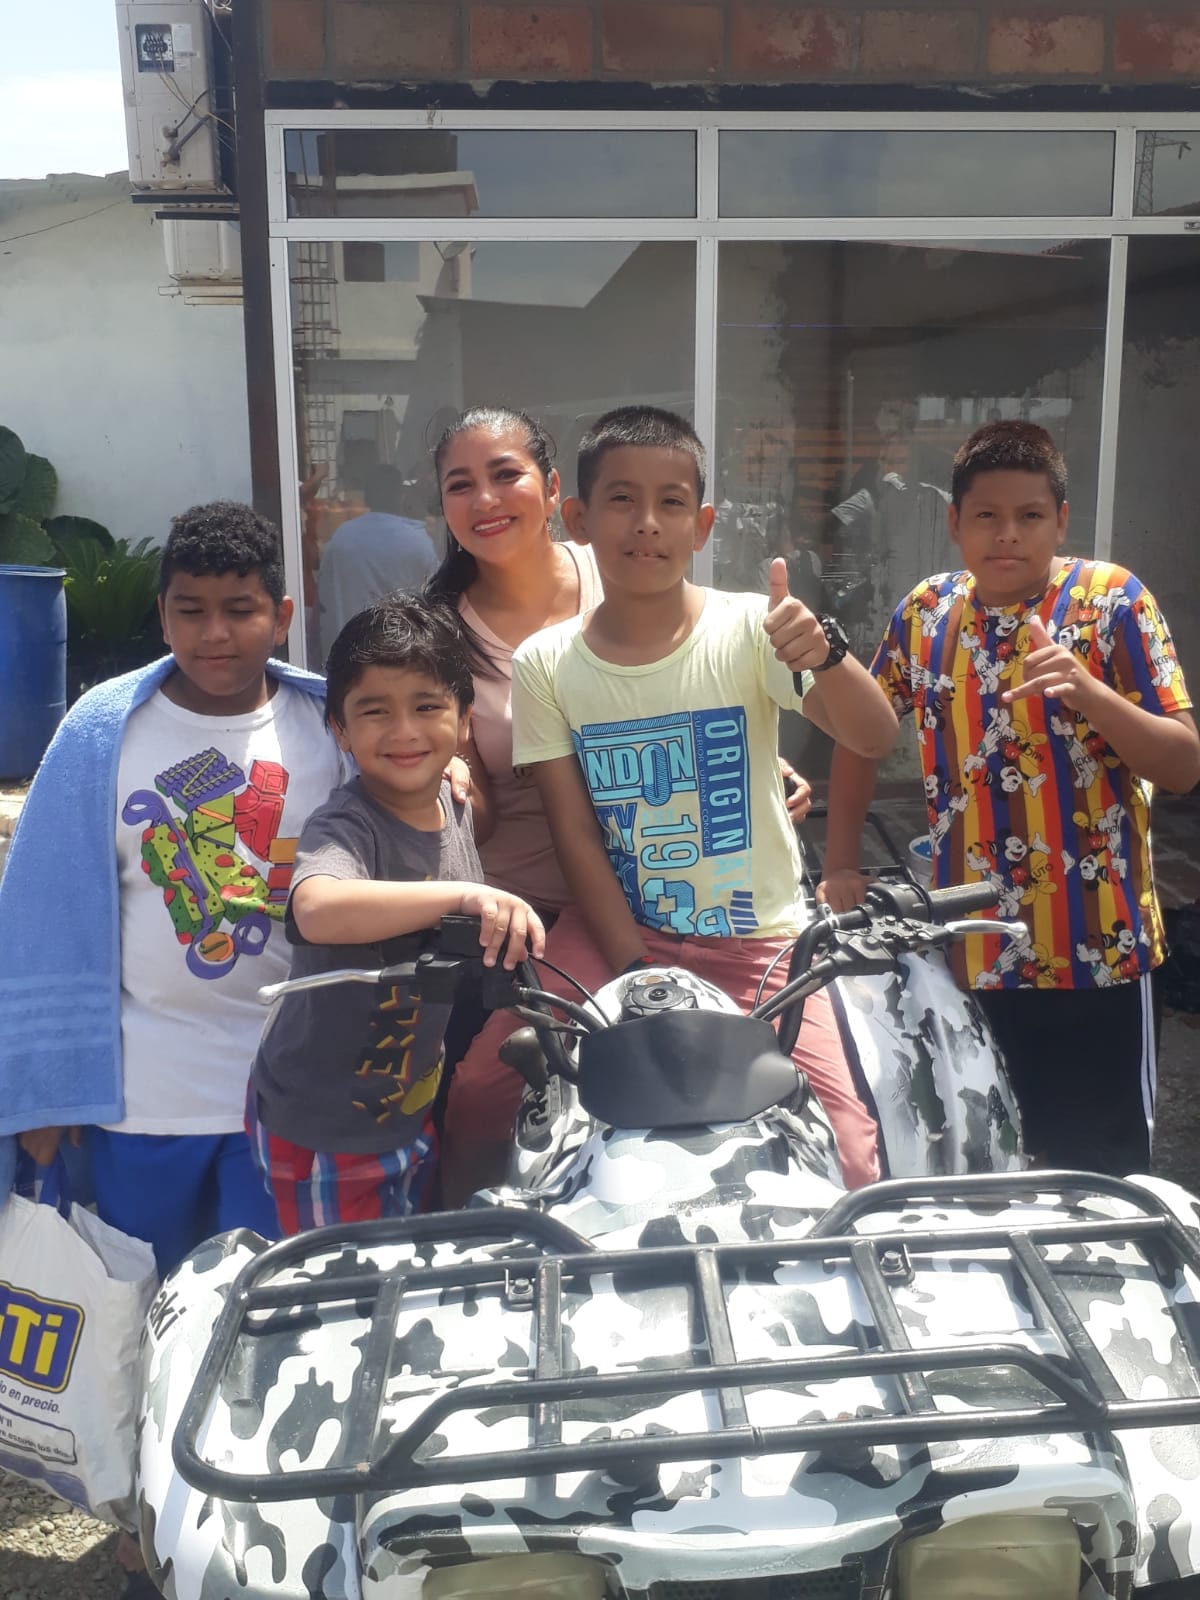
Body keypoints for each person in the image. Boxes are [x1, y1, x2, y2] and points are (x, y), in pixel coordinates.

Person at [451, 404, 899, 1195]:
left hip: (761, 943)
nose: (647, 523)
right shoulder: (546, 662)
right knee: (480, 1092)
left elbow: (874, 735)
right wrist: (635, 975)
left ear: (703, 524)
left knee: (850, 1147)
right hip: (616, 935)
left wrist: (827, 655)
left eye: (671, 502)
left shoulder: (751, 628)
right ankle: (477, 1253)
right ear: (577, 519)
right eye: (622, 500)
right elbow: (574, 831)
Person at [818, 420, 1200, 1175]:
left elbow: (1184, 765)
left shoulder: (1112, 601)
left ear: (1061, 520)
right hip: (970, 947)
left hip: (1098, 952)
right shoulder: (926, 613)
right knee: (982, 1156)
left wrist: (1091, 694)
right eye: (987, 516)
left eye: (1030, 515)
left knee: (1099, 1176)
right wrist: (838, 863)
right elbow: (862, 736)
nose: (1008, 535)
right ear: (954, 522)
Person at [0, 502, 347, 1272]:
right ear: (162, 616)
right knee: (137, 1299)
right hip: (145, 1102)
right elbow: (44, 917)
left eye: (240, 610)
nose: (214, 633)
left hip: (287, 1098)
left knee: (263, 1298)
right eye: (190, 611)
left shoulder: (332, 729)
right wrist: (45, 1090)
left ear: (283, 616)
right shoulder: (102, 734)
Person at [246, 595, 544, 1233]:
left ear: (464, 720)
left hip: (404, 1108)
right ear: (340, 730)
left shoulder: (453, 802)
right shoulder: (347, 825)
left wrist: (455, 767)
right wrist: (462, 898)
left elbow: (474, 814)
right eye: (375, 711)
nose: (404, 731)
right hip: (326, 1125)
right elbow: (317, 909)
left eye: (428, 707)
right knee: (343, 1282)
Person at [316, 462, 439, 662]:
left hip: (347, 657)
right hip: (403, 657)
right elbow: (436, 601)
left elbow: (322, 599)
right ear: (401, 496)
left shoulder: (342, 538)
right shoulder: (418, 543)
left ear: (366, 497)